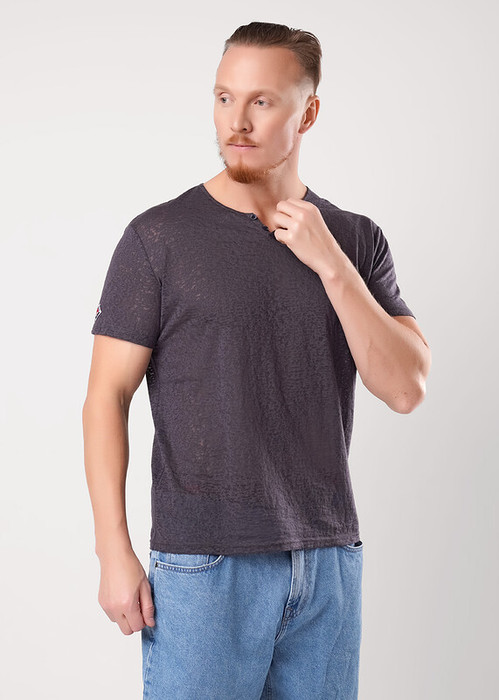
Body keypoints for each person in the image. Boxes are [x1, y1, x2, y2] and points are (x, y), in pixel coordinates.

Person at [82, 21, 431, 699]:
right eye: (223, 98)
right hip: (205, 563)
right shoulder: (159, 238)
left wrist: (332, 266)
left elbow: (406, 387)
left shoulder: (355, 238)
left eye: (261, 102)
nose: (235, 122)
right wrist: (112, 550)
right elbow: (106, 398)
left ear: (309, 113)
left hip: (327, 560)